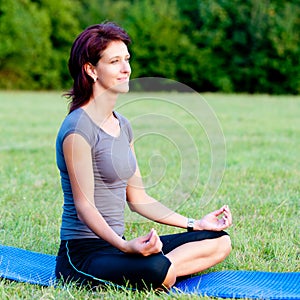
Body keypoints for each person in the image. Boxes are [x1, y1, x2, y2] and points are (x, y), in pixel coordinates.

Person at [55, 22, 232, 291]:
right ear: (91, 70)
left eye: (126, 59)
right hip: (83, 254)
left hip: (117, 247)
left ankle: (163, 271)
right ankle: (159, 270)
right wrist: (125, 246)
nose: (126, 69)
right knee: (155, 268)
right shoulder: (78, 129)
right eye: (114, 61)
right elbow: (85, 207)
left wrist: (195, 224)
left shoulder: (123, 125)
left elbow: (139, 199)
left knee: (219, 240)